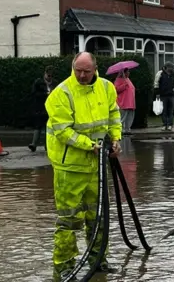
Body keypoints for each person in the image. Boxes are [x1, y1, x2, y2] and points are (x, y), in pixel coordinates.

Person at [45, 52, 122, 281]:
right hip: (70, 167)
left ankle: (98, 260)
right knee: (69, 219)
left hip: (96, 166)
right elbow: (63, 131)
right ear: (73, 67)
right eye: (78, 70)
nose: (82, 75)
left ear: (95, 69)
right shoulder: (61, 93)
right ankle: (64, 267)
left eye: (86, 71)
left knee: (97, 216)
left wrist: (115, 140)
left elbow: (113, 115)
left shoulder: (107, 88)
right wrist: (91, 145)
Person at [29, 66, 56, 152]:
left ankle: (46, 145)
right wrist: (46, 94)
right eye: (48, 75)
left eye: (50, 76)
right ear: (45, 74)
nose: (49, 77)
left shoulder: (55, 83)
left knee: (47, 127)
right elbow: (34, 93)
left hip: (50, 108)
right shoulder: (38, 82)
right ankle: (34, 144)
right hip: (40, 107)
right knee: (38, 125)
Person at [153, 61, 174, 131]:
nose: (172, 68)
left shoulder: (173, 74)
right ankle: (164, 124)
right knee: (164, 111)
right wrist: (157, 93)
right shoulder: (160, 73)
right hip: (163, 95)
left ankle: (170, 125)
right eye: (171, 67)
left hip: (171, 95)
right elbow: (156, 83)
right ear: (166, 67)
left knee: (170, 111)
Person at [114, 68, 136, 135]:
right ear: (124, 72)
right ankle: (121, 130)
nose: (129, 73)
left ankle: (127, 129)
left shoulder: (128, 79)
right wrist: (124, 85)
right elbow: (116, 89)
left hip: (130, 102)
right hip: (123, 102)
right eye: (127, 71)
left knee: (130, 117)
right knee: (123, 116)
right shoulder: (118, 80)